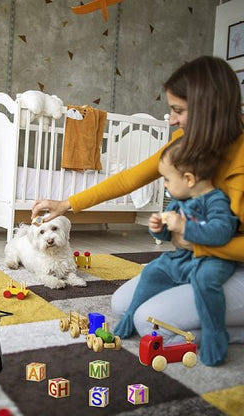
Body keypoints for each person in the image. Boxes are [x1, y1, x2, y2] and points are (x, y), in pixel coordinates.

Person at [31, 55, 244, 364]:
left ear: (208, 109)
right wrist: (67, 204)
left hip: (232, 268)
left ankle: (225, 334)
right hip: (199, 260)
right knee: (122, 305)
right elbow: (130, 177)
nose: (171, 120)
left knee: (148, 322)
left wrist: (193, 238)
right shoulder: (188, 142)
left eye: (178, 110)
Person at [113, 139, 238, 365]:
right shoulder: (179, 201)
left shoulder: (217, 199)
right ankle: (131, 314)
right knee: (154, 270)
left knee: (205, 280)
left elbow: (221, 232)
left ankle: (214, 332)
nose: (166, 185)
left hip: (212, 259)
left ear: (189, 179)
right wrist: (160, 229)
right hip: (183, 257)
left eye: (168, 179)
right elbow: (170, 235)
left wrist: (184, 226)